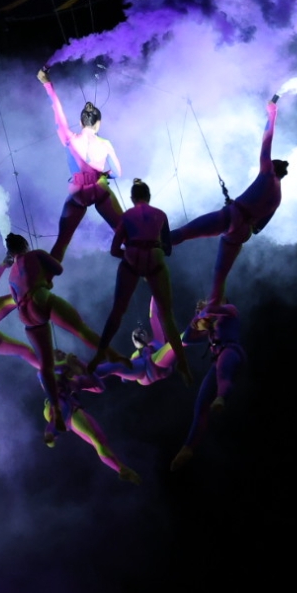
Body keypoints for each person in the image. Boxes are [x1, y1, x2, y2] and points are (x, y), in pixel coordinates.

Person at [169, 93, 289, 305]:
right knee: (219, 277)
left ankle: (151, 244)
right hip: (242, 233)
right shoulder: (277, 198)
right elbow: (259, 227)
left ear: (273, 166)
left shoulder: (267, 171)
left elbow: (267, 139)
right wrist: (243, 209)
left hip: (232, 217)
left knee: (185, 232)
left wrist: (272, 114)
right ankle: (213, 308)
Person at [4, 232, 118, 443]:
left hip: (24, 313)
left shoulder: (11, 275)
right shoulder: (35, 254)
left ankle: (55, 409)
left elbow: (14, 296)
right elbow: (58, 269)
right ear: (25, 244)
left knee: (45, 366)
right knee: (80, 330)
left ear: (11, 253)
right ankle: (112, 354)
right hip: (39, 297)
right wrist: (45, 280)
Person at [90, 180, 193, 384]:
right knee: (167, 316)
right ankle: (183, 363)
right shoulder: (160, 214)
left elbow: (114, 250)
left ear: (132, 198)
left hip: (132, 260)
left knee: (118, 311)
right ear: (149, 196)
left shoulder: (127, 216)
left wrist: (130, 257)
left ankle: (100, 353)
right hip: (155, 260)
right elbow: (168, 249)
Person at [38, 67, 123, 262]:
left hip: (77, 193)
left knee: (61, 243)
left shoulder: (69, 139)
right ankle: (144, 269)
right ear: (98, 123)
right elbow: (118, 173)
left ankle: (42, 278)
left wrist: (47, 84)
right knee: (124, 234)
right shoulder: (105, 144)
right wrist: (105, 174)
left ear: (80, 122)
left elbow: (58, 115)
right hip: (100, 191)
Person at [39, 349, 141, 483]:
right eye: (57, 354)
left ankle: (121, 468)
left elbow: (99, 387)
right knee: (63, 407)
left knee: (98, 439)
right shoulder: (50, 372)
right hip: (56, 406)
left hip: (72, 411)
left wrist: (83, 367)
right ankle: (51, 433)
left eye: (63, 353)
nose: (62, 354)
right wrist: (68, 363)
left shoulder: (76, 380)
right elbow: (45, 372)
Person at [171, 299, 247, 472]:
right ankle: (188, 447)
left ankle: (221, 397)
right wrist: (197, 317)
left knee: (222, 373)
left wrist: (204, 311)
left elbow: (215, 309)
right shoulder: (211, 328)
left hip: (232, 352)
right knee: (201, 404)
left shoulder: (230, 310)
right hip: (218, 359)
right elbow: (188, 338)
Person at [93, 296, 177, 385]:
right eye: (136, 335)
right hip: (144, 371)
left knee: (177, 343)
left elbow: (153, 314)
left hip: (158, 363)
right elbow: (125, 370)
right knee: (116, 365)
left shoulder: (157, 341)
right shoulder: (136, 355)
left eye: (140, 333)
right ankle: (87, 373)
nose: (138, 334)